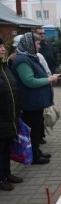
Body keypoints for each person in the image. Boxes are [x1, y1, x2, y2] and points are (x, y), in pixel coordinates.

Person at [12, 32, 58, 164]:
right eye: (37, 44)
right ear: (29, 45)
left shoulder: (30, 57)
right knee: (33, 128)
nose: (39, 47)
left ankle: (37, 151)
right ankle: (34, 156)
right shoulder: (22, 60)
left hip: (35, 102)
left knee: (37, 127)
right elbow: (29, 81)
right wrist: (48, 79)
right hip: (30, 103)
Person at [0, 38, 23, 190]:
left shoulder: (5, 67)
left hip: (10, 117)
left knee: (6, 148)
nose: (2, 49)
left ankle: (7, 174)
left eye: (2, 46)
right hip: (1, 119)